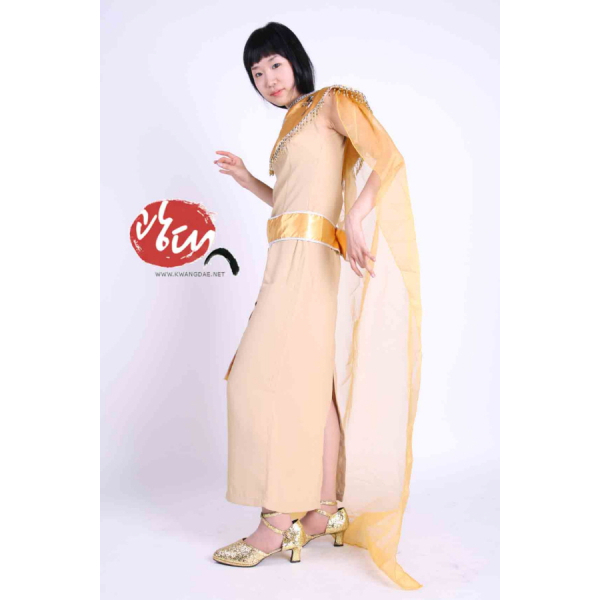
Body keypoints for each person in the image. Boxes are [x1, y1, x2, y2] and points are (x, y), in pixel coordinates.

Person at [212, 22, 423, 590]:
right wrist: (248, 179)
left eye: (274, 64)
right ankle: (324, 508)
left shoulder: (332, 102)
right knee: (310, 384)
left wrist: (356, 216)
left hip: (311, 259)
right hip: (285, 256)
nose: (267, 79)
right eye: (256, 73)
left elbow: (388, 157)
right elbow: (291, 202)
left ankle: (276, 521)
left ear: (296, 61)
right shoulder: (289, 127)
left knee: (260, 379)